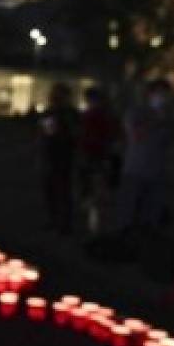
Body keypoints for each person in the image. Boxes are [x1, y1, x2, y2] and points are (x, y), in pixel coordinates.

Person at [115, 78, 173, 232]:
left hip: (157, 171)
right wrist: (156, 120)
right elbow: (135, 135)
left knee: (151, 212)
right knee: (129, 210)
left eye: (165, 94)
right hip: (135, 169)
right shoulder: (136, 112)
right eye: (160, 93)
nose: (163, 97)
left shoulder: (166, 116)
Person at [78, 85, 121, 236]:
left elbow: (111, 137)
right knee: (92, 193)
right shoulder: (90, 115)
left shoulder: (102, 117)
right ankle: (93, 227)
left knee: (97, 195)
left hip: (98, 158)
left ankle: (96, 229)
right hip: (92, 157)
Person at [37, 83, 79, 234]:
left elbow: (73, 134)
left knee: (63, 191)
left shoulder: (69, 113)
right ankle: (54, 220)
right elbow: (46, 133)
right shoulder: (50, 112)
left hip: (62, 156)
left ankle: (64, 223)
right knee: (51, 191)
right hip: (50, 155)